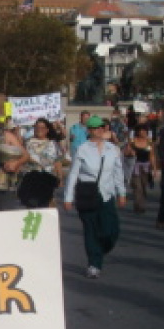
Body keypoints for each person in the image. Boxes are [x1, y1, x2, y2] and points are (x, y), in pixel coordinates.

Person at [62, 115, 126, 279]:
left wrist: (122, 192)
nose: (99, 130)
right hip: (87, 195)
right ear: (89, 130)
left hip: (106, 195)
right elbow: (73, 173)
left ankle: (101, 249)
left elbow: (118, 172)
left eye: (101, 127)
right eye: (95, 128)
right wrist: (68, 197)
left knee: (111, 230)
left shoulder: (112, 149)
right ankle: (94, 264)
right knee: (91, 230)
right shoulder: (82, 149)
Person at [20, 117, 62, 208]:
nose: (39, 130)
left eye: (42, 128)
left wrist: (60, 177)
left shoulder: (53, 143)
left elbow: (57, 161)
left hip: (47, 179)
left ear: (47, 130)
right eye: (37, 127)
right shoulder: (27, 143)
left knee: (45, 206)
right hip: (31, 179)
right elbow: (21, 158)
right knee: (32, 206)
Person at [123, 124, 157, 214]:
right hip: (135, 166)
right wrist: (130, 153)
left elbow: (152, 156)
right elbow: (125, 153)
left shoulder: (150, 143)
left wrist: (154, 169)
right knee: (137, 187)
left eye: (144, 131)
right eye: (140, 130)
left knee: (144, 186)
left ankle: (142, 203)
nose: (142, 132)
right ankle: (139, 206)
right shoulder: (132, 142)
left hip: (146, 167)